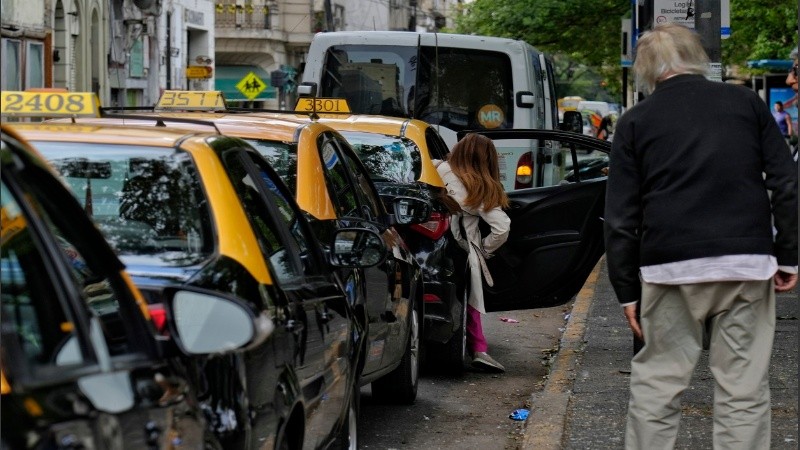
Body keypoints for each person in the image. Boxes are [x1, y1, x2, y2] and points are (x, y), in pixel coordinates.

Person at [604, 23, 798, 449]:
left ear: (647, 70)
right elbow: (786, 184)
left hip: (668, 267)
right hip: (745, 264)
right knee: (743, 390)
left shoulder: (636, 122)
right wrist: (787, 256)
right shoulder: (746, 104)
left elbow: (620, 217)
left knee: (658, 386)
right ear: (699, 58)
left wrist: (626, 291)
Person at [434, 133, 511, 373]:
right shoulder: (479, 187)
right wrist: (483, 250)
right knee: (471, 302)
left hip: (431, 244)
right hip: (463, 250)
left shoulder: (438, 169)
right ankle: (479, 349)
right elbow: (502, 228)